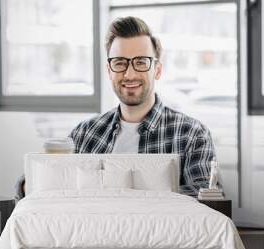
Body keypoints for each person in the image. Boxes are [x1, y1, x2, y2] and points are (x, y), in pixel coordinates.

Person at [16, 16, 217, 199]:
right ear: (109, 71)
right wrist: (34, 182)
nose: (129, 74)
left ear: (157, 70)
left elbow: (207, 202)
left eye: (140, 62)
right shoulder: (86, 133)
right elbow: (30, 187)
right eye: (120, 63)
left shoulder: (192, 134)